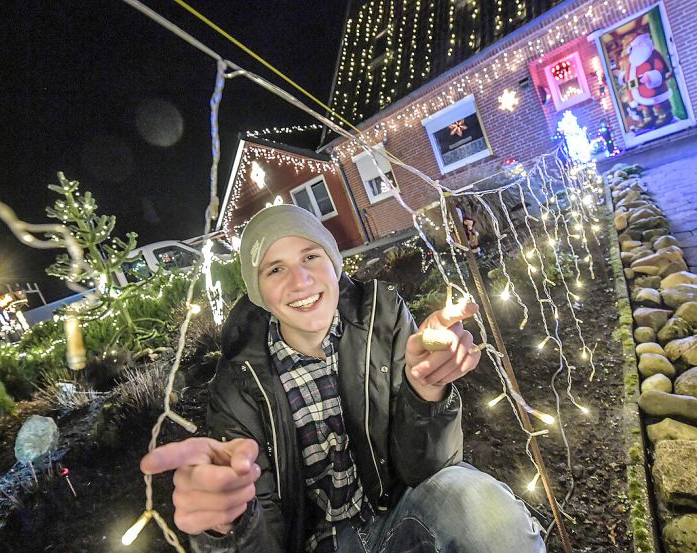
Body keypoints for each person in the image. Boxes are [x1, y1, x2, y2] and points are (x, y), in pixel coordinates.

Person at [141, 205, 544, 553]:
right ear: (259, 291)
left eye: (311, 257)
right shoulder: (238, 386)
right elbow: (262, 526)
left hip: (400, 517)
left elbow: (429, 472)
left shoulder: (381, 316)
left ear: (334, 263)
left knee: (483, 507)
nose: (300, 281)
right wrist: (227, 523)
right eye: (275, 269)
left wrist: (425, 393)